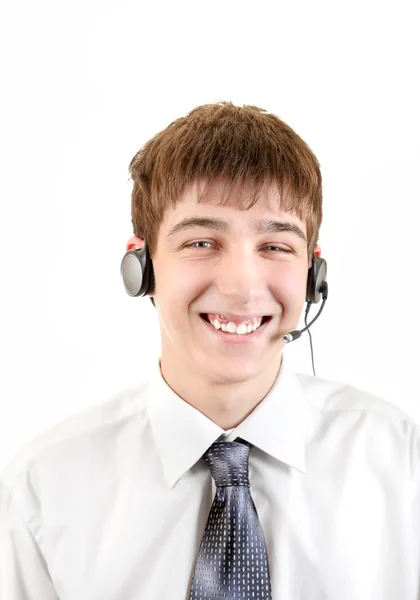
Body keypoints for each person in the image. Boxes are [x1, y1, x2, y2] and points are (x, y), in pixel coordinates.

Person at [1, 101, 419, 599]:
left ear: (312, 275)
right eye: (202, 242)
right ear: (143, 268)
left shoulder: (402, 465)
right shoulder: (45, 488)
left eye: (276, 246)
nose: (242, 286)